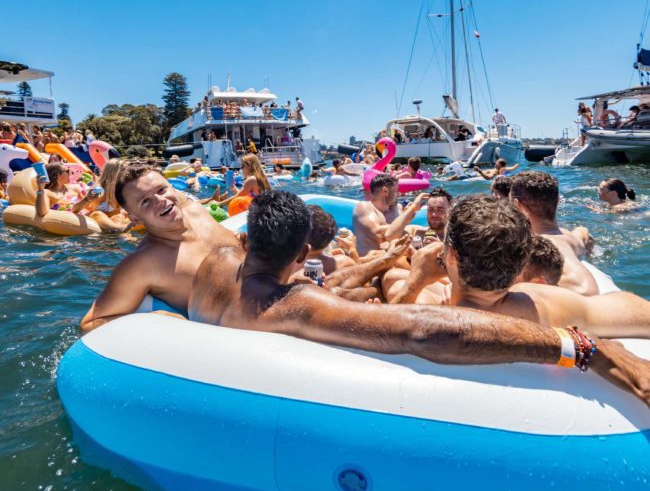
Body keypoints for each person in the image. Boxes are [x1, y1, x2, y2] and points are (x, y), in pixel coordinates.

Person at [188, 190, 650, 406]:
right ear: (304, 255)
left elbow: (413, 314)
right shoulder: (299, 304)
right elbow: (422, 330)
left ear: (247, 239)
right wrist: (583, 345)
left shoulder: (216, 261)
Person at [437, 195, 650, 339]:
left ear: (452, 256)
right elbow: (636, 312)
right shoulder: (546, 304)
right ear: (521, 263)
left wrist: (416, 281)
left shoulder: (424, 309)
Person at [79, 161, 241, 332]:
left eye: (161, 190)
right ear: (133, 216)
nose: (160, 201)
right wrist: (158, 319)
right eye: (145, 201)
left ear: (173, 188)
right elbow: (89, 325)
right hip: (240, 329)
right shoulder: (143, 264)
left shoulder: (197, 212)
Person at [509, 171, 597, 295]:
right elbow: (583, 232)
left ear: (518, 205)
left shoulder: (536, 244)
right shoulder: (569, 237)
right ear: (558, 201)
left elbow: (585, 291)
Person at [352, 174, 428, 256]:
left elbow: (399, 231)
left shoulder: (396, 208)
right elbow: (379, 234)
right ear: (385, 191)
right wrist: (410, 211)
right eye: (396, 191)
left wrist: (407, 214)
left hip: (392, 257)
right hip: (371, 261)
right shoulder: (364, 207)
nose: (398, 194)